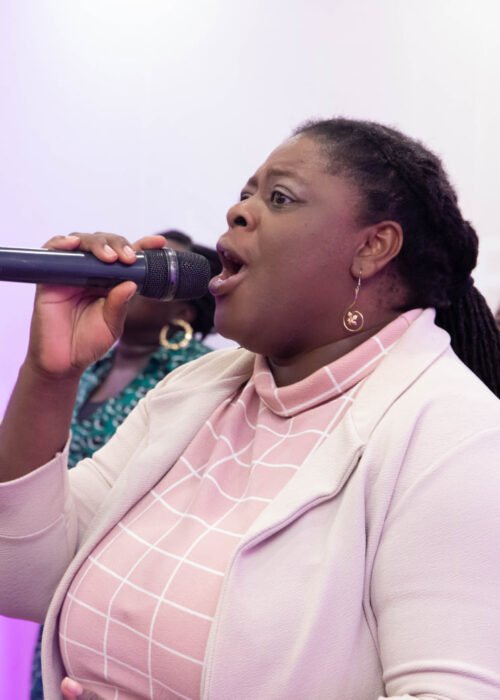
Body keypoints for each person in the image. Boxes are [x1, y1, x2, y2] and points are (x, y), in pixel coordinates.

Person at [1, 117, 500, 700]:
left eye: (279, 197)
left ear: (372, 248)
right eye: (244, 195)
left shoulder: (456, 438)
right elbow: (23, 577)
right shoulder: (194, 391)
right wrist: (50, 375)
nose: (237, 212)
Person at [28, 230, 221, 700]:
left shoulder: (198, 377)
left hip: (129, 606)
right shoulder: (86, 363)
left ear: (182, 312)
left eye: (149, 273)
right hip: (52, 580)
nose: (128, 278)